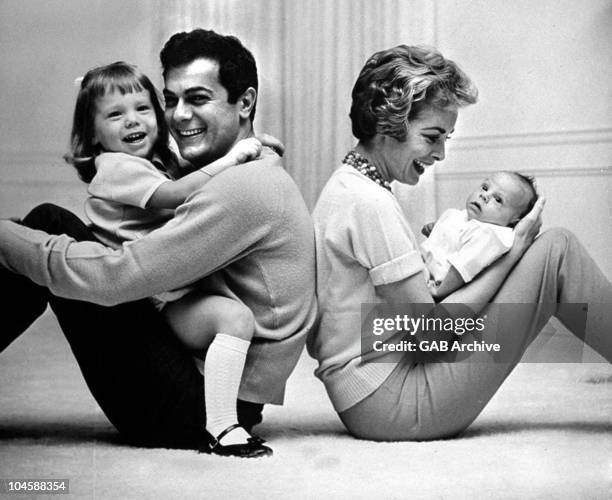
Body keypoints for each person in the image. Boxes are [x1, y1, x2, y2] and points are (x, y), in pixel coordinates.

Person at [0, 29, 317, 454]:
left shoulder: (242, 189)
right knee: (46, 228)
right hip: (214, 389)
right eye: (171, 100)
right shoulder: (249, 172)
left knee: (43, 228)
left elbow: (116, 279)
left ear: (245, 102)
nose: (179, 116)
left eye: (199, 99)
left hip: (189, 410)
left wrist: (9, 239)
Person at [309, 44, 612, 441]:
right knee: (556, 251)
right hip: (393, 403)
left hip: (376, 388)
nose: (441, 153)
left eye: (446, 138)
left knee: (548, 249)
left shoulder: (349, 186)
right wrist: (513, 253)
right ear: (388, 123)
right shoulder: (370, 204)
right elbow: (431, 332)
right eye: (433, 137)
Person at [68, 60, 287, 457]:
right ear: (92, 133)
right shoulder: (115, 167)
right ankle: (222, 429)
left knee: (234, 317)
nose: (132, 121)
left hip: (169, 289)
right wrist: (236, 158)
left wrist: (255, 148)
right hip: (142, 294)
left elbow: (200, 180)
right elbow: (177, 195)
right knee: (233, 317)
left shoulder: (158, 163)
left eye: (142, 109)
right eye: (115, 115)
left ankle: (221, 421)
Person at [421, 171, 537, 299]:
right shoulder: (464, 216)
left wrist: (438, 292)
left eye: (498, 200)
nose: (484, 195)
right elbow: (453, 234)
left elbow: (462, 268)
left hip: (441, 287)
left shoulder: (491, 235)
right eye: (485, 187)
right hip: (422, 271)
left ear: (514, 220)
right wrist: (438, 229)